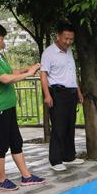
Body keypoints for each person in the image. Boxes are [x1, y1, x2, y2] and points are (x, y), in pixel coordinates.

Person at [0, 21, 47, 191]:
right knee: (1, 145)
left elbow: (11, 72)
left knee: (16, 141)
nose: (3, 42)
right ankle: (2, 180)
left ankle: (26, 176)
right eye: (1, 39)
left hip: (8, 107)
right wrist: (29, 74)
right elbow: (6, 79)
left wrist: (26, 69)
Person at [40, 22, 84, 172]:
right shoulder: (49, 53)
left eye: (71, 39)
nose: (68, 42)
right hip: (57, 93)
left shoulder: (69, 51)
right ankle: (55, 160)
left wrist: (78, 92)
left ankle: (69, 156)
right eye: (66, 38)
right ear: (58, 36)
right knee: (58, 127)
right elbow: (43, 75)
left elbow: (72, 74)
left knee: (70, 126)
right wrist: (47, 95)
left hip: (71, 93)